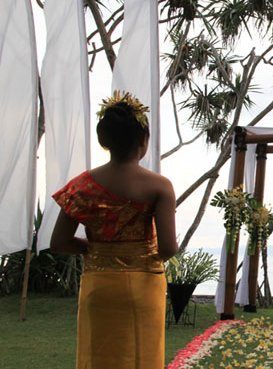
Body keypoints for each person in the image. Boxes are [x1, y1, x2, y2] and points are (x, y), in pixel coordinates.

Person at [50, 91, 178, 369]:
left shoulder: (81, 186)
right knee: (142, 357)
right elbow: (168, 249)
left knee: (97, 356)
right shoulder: (159, 186)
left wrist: (93, 249)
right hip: (144, 286)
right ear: (143, 142)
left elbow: (59, 242)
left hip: (99, 284)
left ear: (104, 140)